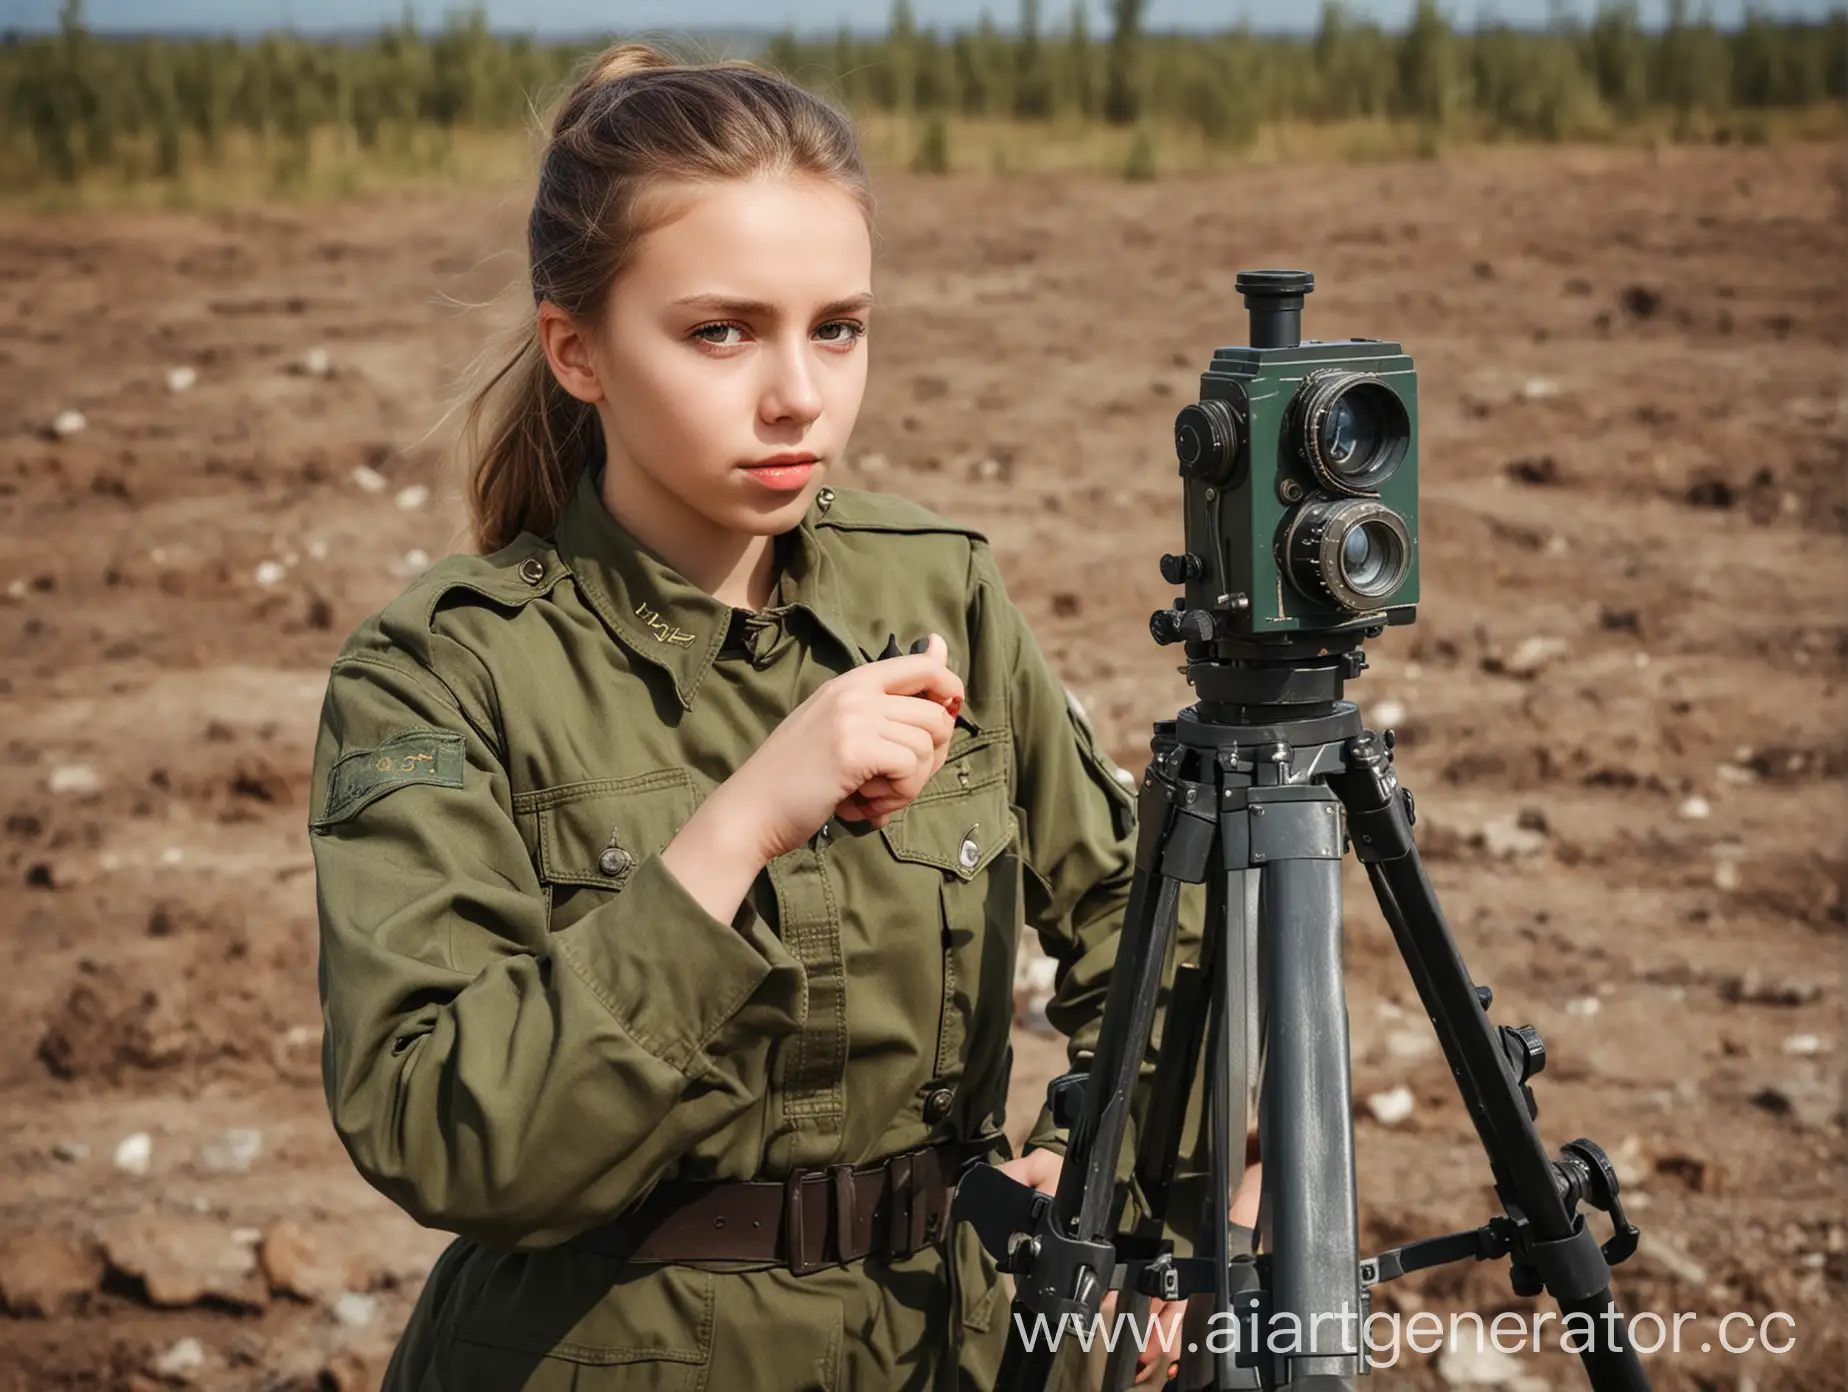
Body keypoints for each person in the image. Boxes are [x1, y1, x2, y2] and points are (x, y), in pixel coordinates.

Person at [307, 42, 1257, 1391]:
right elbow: (446, 1138)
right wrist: (740, 827)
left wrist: (1115, 1171)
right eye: (721, 331)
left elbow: (1148, 927)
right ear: (575, 350)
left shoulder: (936, 588)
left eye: (837, 328)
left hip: (953, 1349)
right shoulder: (441, 671)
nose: (800, 394)